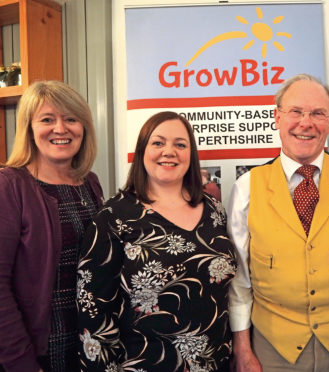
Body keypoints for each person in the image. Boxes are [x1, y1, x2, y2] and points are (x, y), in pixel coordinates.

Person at [227, 74, 329, 371]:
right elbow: (240, 280)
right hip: (273, 349)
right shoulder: (247, 188)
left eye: (318, 113)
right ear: (277, 117)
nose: (305, 122)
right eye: (295, 112)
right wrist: (243, 348)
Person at [77, 111, 237, 372]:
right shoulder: (113, 217)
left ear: (191, 154)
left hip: (214, 364)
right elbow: (93, 311)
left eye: (180, 144)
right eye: (158, 143)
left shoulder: (214, 210)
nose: (169, 151)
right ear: (142, 151)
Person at [0, 80, 104, 372]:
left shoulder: (90, 183)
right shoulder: (10, 186)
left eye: (71, 119)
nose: (61, 129)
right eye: (47, 119)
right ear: (29, 129)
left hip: (89, 342)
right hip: (39, 351)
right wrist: (21, 363)